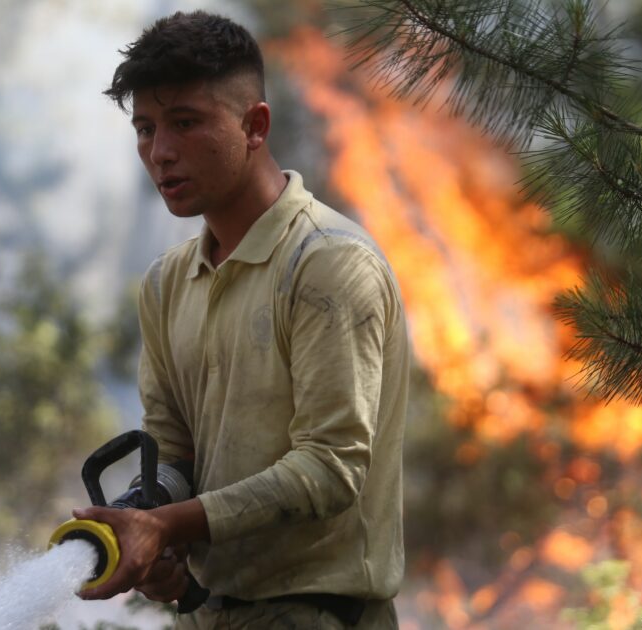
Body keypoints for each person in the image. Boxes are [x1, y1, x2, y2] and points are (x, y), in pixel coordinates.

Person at [72, 10, 409, 629]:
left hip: (321, 615)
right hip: (207, 617)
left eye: (185, 123)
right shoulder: (168, 283)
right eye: (145, 128)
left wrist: (169, 523)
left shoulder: (327, 265)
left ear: (255, 126)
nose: (160, 152)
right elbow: (173, 454)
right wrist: (148, 523)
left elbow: (331, 469)